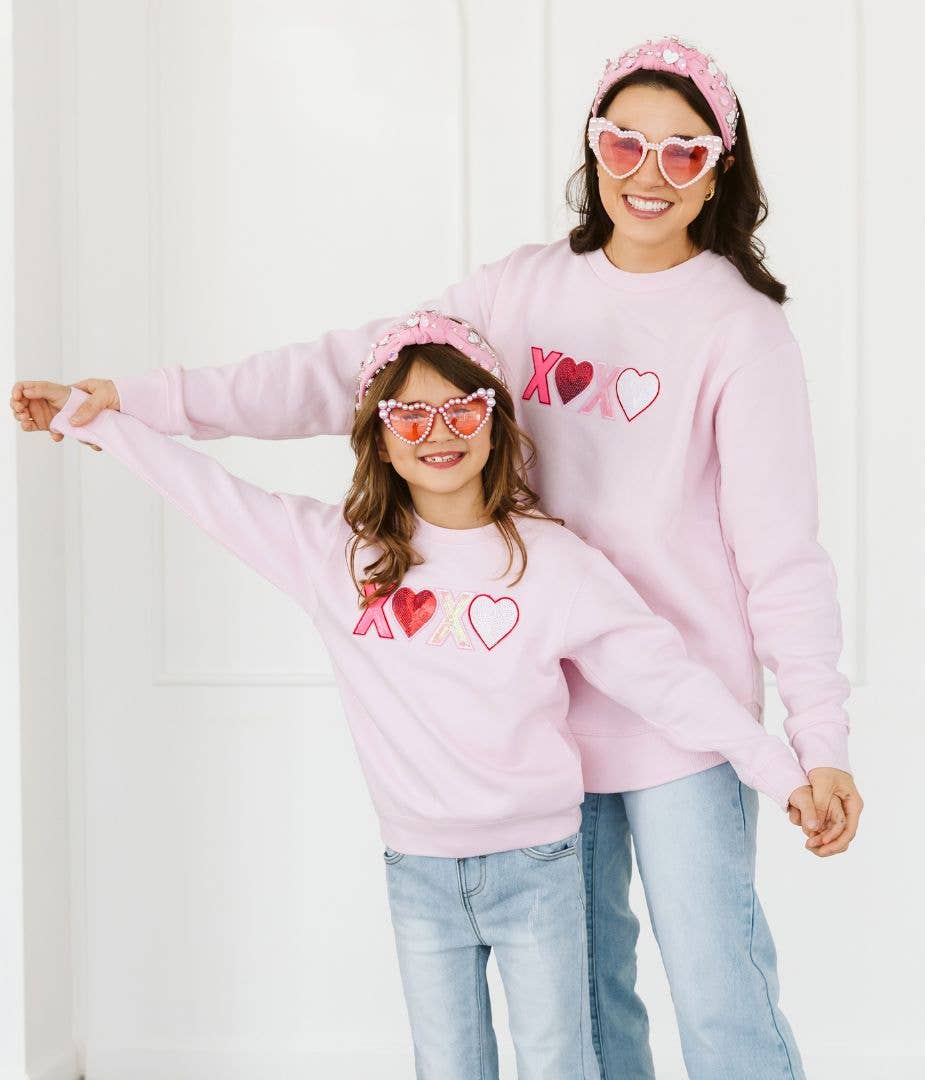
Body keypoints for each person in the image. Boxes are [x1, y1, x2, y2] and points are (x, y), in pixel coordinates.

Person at [12, 34, 864, 1079]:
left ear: (721, 167)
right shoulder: (520, 292)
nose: (648, 174)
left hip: (688, 720)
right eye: (623, 143)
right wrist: (143, 403)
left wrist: (817, 738)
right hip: (543, 721)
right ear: (592, 148)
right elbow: (352, 376)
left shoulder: (741, 333)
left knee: (719, 992)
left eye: (682, 153)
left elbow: (783, 558)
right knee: (589, 1020)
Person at [15, 311, 826, 1079]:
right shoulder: (339, 558)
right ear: (379, 441)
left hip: (540, 867)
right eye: (410, 418)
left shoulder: (552, 564)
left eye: (462, 410)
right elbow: (210, 494)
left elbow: (668, 682)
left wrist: (787, 772)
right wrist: (92, 420)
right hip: (419, 874)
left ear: (497, 424)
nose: (438, 433)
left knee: (559, 1066)